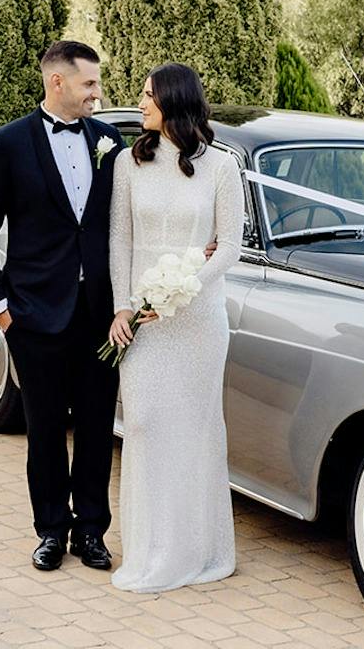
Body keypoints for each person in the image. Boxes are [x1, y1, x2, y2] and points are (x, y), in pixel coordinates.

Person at [0, 40, 124, 573]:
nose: (98, 93)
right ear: (57, 82)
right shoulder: (8, 143)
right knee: (47, 430)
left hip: (99, 317)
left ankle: (92, 533)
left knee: (99, 429)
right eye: (89, 85)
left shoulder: (109, 141)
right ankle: (51, 530)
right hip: (34, 317)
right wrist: (1, 309)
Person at [107, 63, 244, 593]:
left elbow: (228, 246)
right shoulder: (127, 162)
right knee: (142, 426)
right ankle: (149, 551)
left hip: (198, 321)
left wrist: (183, 287)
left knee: (193, 432)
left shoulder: (222, 167)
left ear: (175, 102)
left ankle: (196, 551)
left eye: (148, 96)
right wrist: (125, 306)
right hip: (142, 321)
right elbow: (120, 239)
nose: (140, 103)